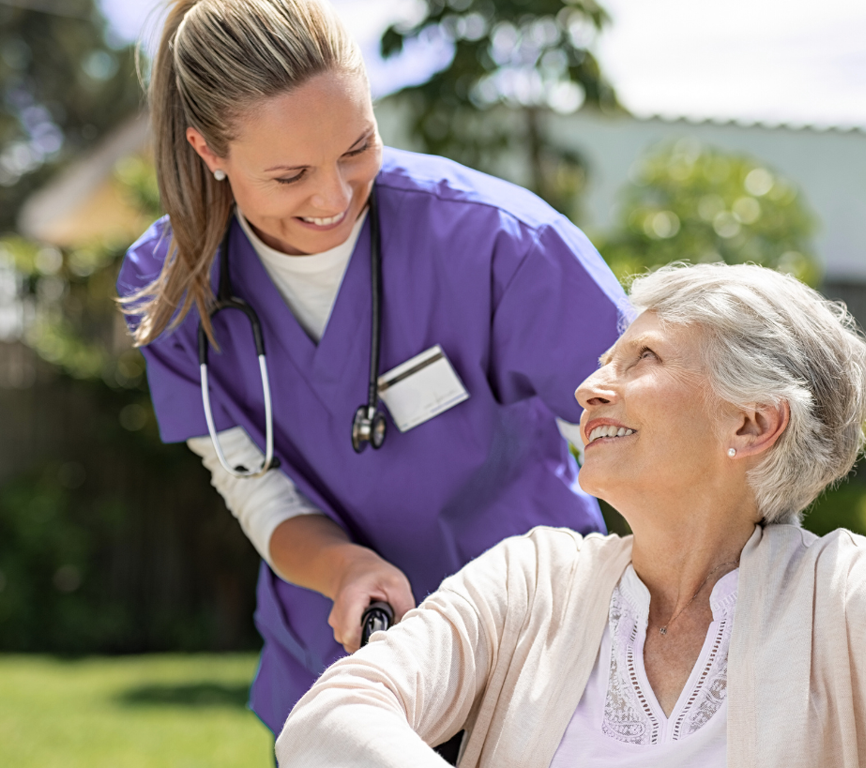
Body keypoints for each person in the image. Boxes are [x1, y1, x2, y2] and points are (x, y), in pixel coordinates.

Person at [276, 262, 866, 768]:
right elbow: (329, 722)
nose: (592, 386)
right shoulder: (531, 578)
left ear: (752, 423)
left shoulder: (843, 590)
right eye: (604, 360)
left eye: (642, 360)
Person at [115, 0, 630, 739]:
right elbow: (252, 486)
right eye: (290, 175)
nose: (333, 198)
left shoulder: (498, 245)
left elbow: (656, 432)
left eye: (357, 147)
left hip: (535, 658)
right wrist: (342, 570)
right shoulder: (168, 287)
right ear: (208, 150)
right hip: (339, 672)